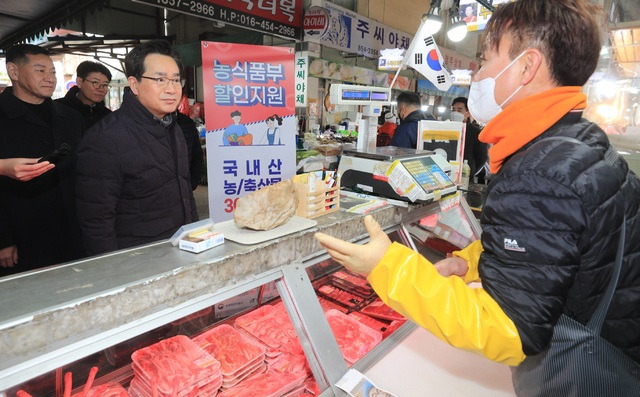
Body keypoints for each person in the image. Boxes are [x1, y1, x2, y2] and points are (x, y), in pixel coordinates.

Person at [316, 0, 640, 393]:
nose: (477, 73)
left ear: (527, 66)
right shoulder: (579, 142)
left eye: (485, 59)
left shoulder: (540, 173)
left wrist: (387, 266)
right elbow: (557, 253)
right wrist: (473, 263)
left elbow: (508, 329)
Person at [75, 40, 198, 256]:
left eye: (176, 80)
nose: (171, 89)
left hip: (179, 245)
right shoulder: (105, 138)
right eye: (160, 80)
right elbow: (96, 218)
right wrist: (112, 269)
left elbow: (184, 190)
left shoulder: (173, 126)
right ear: (134, 84)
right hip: (137, 256)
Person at [0, 44, 85, 275]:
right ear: (14, 72)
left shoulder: (69, 117)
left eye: (53, 72)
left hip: (70, 228)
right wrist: (3, 239)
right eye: (40, 71)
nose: (50, 78)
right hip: (21, 235)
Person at [56, 61, 112, 129]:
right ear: (79, 82)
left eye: (105, 85)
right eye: (95, 82)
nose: (101, 89)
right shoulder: (57, 109)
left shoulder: (109, 116)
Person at [451, 96, 487, 181]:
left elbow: (482, 157)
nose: (455, 113)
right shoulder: (445, 129)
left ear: (468, 113)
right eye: (453, 110)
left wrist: (471, 169)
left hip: (465, 175)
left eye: (459, 110)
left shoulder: (476, 133)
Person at [176, 112, 204, 191]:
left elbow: (197, 156)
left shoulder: (187, 123)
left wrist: (192, 183)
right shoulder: (142, 125)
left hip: (184, 190)